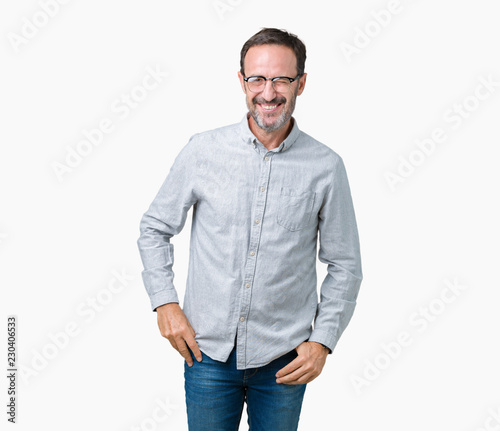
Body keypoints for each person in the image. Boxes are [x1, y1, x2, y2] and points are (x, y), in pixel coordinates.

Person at [137, 27, 363, 431]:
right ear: (242, 81)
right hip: (206, 354)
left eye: (281, 80)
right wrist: (165, 303)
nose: (268, 92)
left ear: (301, 84)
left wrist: (323, 341)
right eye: (257, 79)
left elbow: (345, 264)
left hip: (284, 361)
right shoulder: (203, 150)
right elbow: (155, 227)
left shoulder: (326, 167)